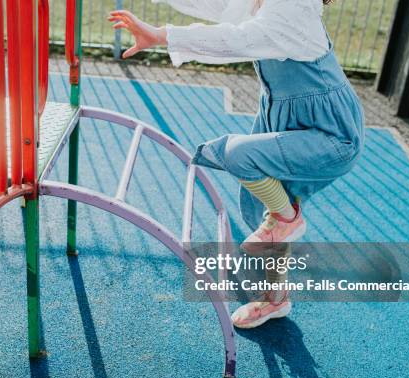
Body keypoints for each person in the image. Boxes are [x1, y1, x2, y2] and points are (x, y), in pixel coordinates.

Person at [109, 0, 364, 328]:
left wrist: (163, 35)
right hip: (286, 117)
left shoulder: (294, 5)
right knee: (262, 207)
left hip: (328, 131)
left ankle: (287, 218)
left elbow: (239, 39)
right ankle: (276, 296)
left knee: (238, 156)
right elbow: (220, 6)